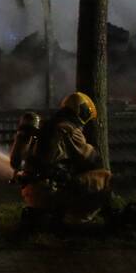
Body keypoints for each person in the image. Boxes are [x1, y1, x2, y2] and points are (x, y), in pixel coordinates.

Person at [18, 92, 112, 225]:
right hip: (49, 191)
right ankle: (78, 221)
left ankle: (50, 216)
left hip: (30, 190)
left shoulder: (47, 125)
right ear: (81, 111)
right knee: (106, 177)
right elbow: (91, 158)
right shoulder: (69, 129)